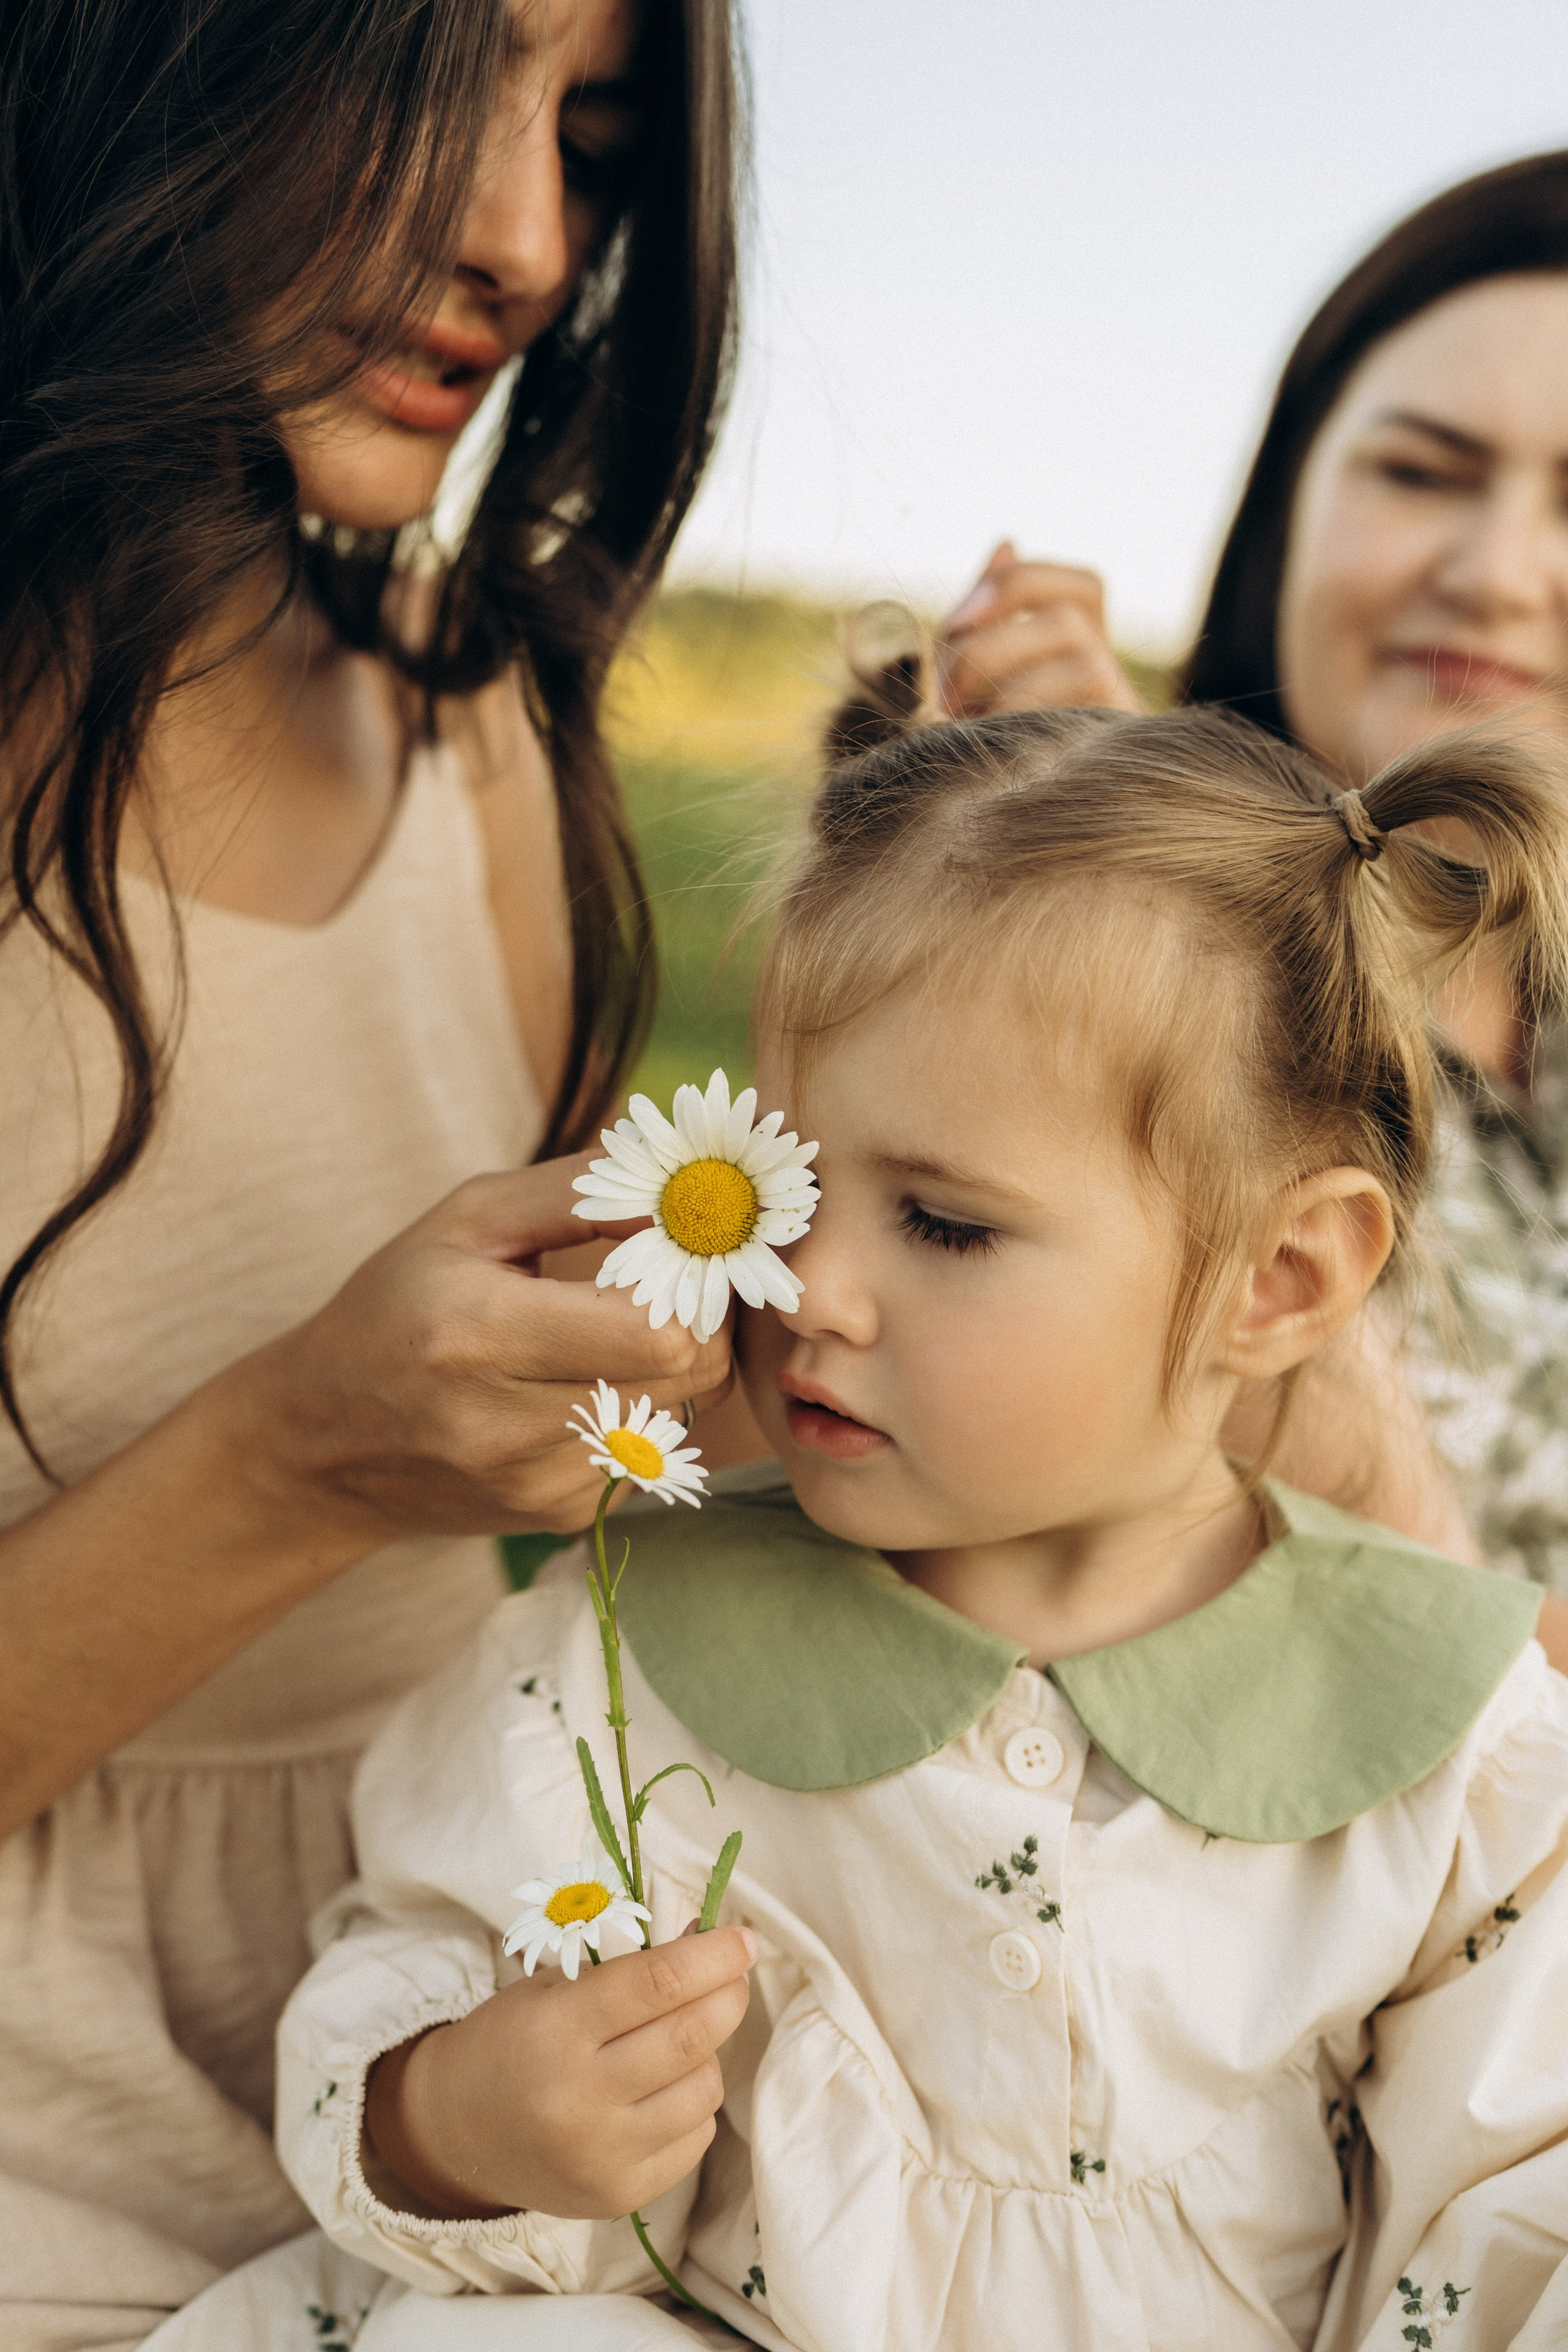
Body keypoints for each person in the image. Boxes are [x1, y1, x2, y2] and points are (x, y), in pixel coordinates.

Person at [151, 691, 1568, 2345]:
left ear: (1283, 1277)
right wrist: (459, 2118)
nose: (807, 1287)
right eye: (792, 1187)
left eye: (947, 1225)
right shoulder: (625, 1664)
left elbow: (1511, 2195)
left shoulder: (1447, 1742)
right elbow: (397, 1976)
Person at [0, 0, 744, 2341]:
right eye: (429, 89)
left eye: (593, 142)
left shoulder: (474, 726)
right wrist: (292, 1462)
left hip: (472, 2148)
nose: (526, 241)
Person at [937, 149, 1568, 1600]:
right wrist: (1117, 887)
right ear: (1286, 504)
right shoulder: (1067, 913)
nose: (1493, 573)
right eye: (1420, 471)